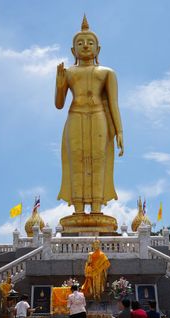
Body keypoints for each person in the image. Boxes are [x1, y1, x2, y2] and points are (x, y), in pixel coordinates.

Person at [55, 15, 124, 214]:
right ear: (72, 50)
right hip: (75, 115)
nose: (85, 46)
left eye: (90, 42)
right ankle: (77, 209)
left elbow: (113, 104)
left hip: (98, 117)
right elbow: (59, 105)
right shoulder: (68, 73)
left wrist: (120, 131)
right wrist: (60, 85)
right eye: (80, 43)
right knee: (76, 159)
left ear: (98, 49)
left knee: (97, 160)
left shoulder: (107, 73)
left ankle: (96, 208)